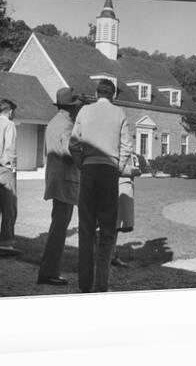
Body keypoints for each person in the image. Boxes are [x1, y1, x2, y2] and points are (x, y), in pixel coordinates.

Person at [69, 79, 133, 293]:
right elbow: (126, 146)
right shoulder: (120, 113)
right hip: (108, 172)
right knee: (107, 230)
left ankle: (85, 285)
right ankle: (101, 284)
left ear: (97, 93)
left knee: (86, 229)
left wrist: (82, 165)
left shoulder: (84, 111)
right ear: (113, 95)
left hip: (88, 170)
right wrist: (117, 167)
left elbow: (74, 144)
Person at [37, 88, 82, 286]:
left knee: (57, 227)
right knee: (58, 230)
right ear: (71, 107)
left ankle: (48, 271)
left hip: (57, 181)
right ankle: (49, 273)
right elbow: (68, 153)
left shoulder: (54, 122)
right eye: (76, 106)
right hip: (65, 183)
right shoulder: (67, 125)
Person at [0, 99, 22, 256]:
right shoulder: (9, 125)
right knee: (9, 207)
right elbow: (10, 149)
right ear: (11, 111)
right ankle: (6, 245)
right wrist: (12, 167)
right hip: (5, 168)